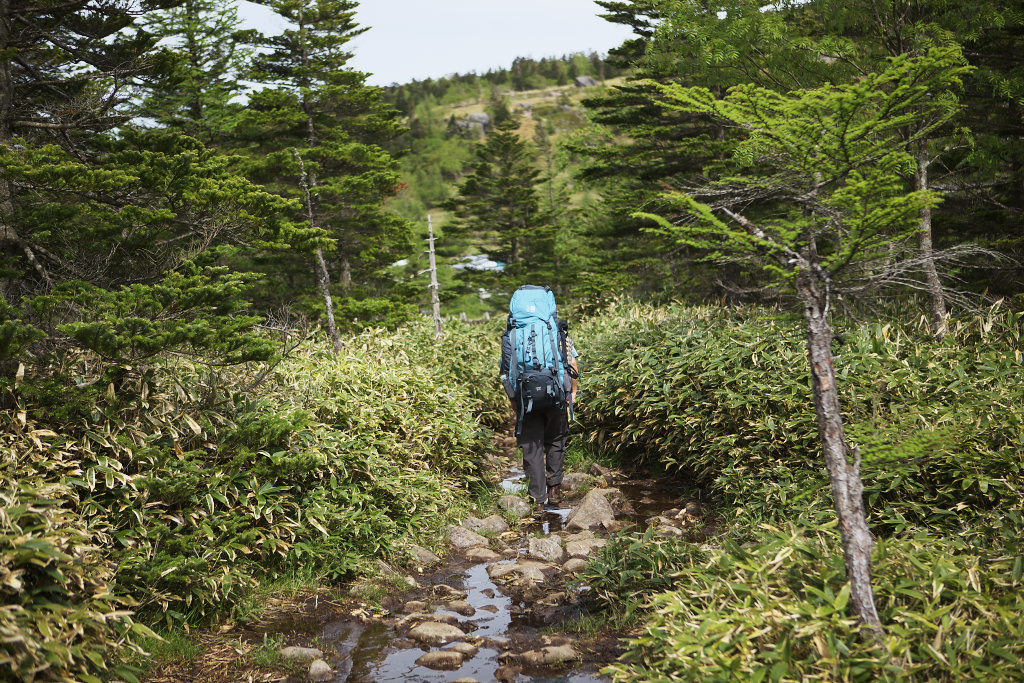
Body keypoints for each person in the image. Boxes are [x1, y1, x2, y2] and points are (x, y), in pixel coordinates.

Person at [500, 286, 579, 515]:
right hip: (556, 391)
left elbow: (506, 372)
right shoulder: (556, 329)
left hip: (526, 397)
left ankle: (538, 501)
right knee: (556, 439)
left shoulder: (512, 334)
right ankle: (555, 490)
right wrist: (572, 392)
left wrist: (515, 402)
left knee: (531, 446)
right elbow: (573, 362)